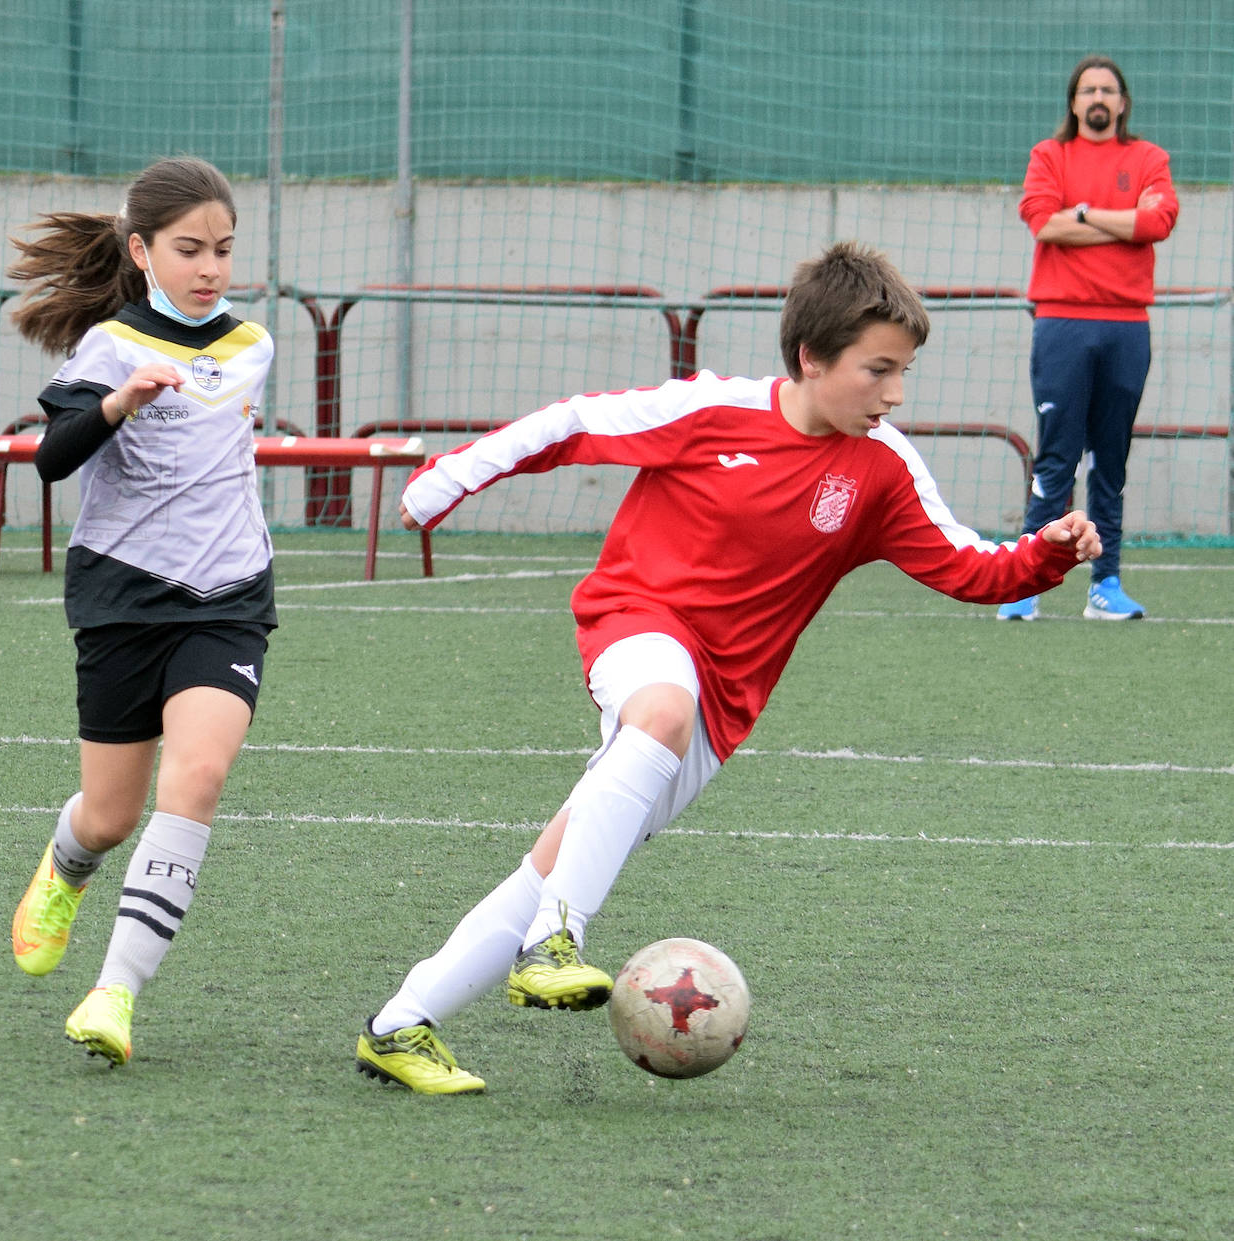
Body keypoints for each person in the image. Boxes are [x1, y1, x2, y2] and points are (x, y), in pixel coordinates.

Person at [354, 242, 1103, 1095]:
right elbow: (571, 424)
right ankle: (556, 942)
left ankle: (400, 1024)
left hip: (723, 710)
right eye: (878, 370)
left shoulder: (883, 468)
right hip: (635, 624)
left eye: (905, 372)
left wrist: (1047, 553)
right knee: (658, 715)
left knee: (548, 867)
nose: (895, 393)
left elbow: (971, 566)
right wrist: (446, 479)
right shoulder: (712, 410)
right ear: (811, 357)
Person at [6, 156, 276, 1067]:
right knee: (109, 816)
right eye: (189, 249)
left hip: (229, 599)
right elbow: (52, 460)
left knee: (195, 779)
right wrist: (120, 403)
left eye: (224, 250)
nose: (210, 267)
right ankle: (65, 866)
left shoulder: (254, 345)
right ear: (141, 250)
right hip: (123, 601)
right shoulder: (111, 347)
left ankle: (114, 992)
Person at [997, 55, 1178, 622]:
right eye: (1087, 89)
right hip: (1062, 323)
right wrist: (1120, 218)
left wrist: (1083, 214)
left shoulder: (1149, 158)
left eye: (1108, 90)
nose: (1098, 98)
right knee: (1056, 458)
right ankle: (1024, 585)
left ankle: (1106, 584)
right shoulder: (1049, 156)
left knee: (1111, 459)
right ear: (1073, 102)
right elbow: (1043, 222)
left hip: (1127, 326)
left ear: (1122, 103)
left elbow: (1157, 224)